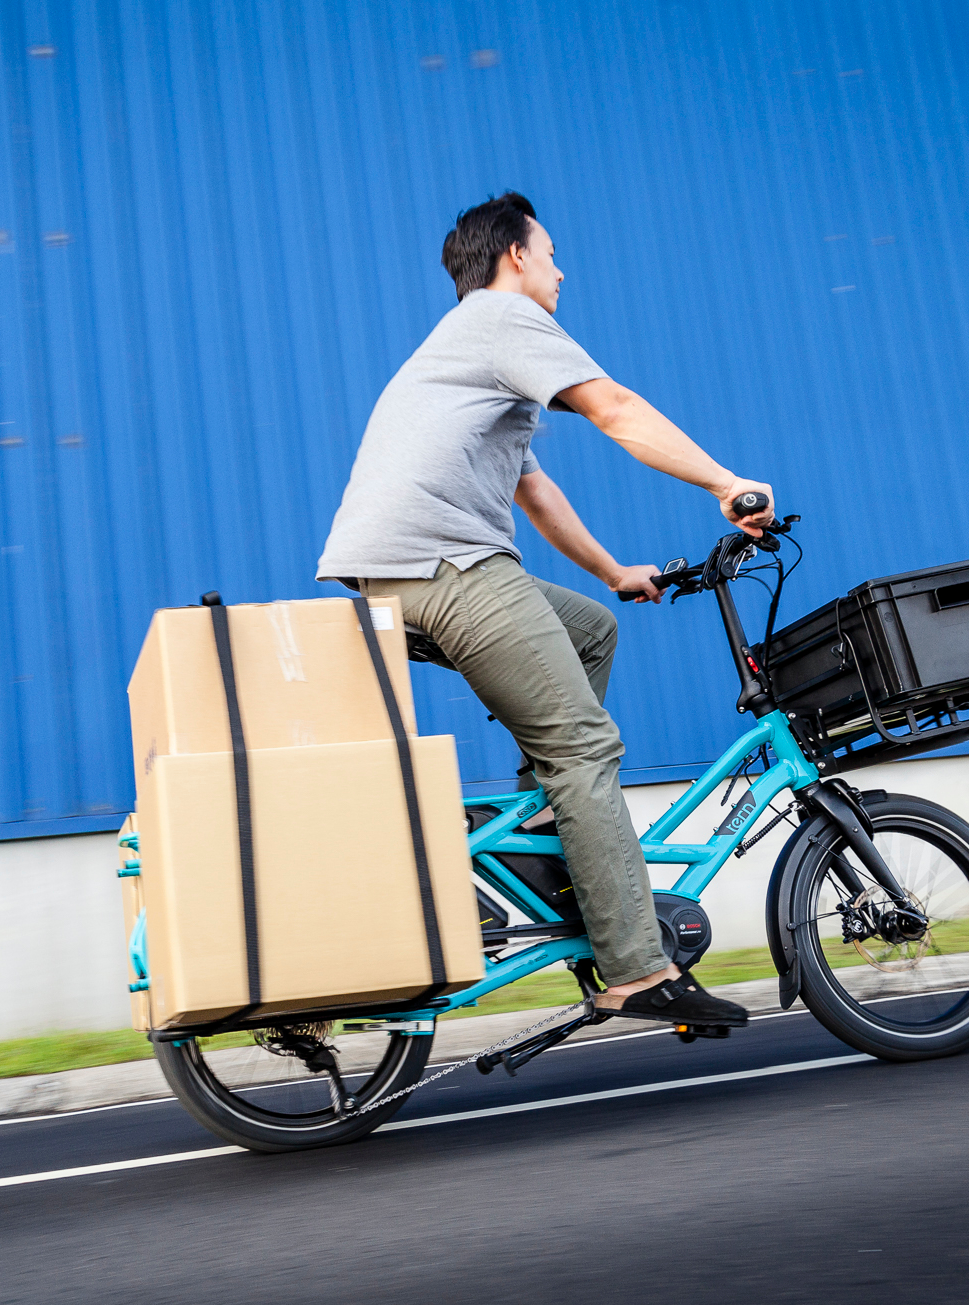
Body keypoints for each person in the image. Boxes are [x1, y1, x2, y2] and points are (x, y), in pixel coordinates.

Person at [316, 192, 773, 1026]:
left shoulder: (467, 350)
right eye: (552, 252)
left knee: (593, 628)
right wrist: (725, 482)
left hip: (400, 571)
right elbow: (617, 410)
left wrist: (611, 571)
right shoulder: (501, 318)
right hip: (445, 565)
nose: (562, 269)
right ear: (514, 257)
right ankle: (637, 968)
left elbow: (533, 487)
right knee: (585, 743)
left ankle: (543, 848)